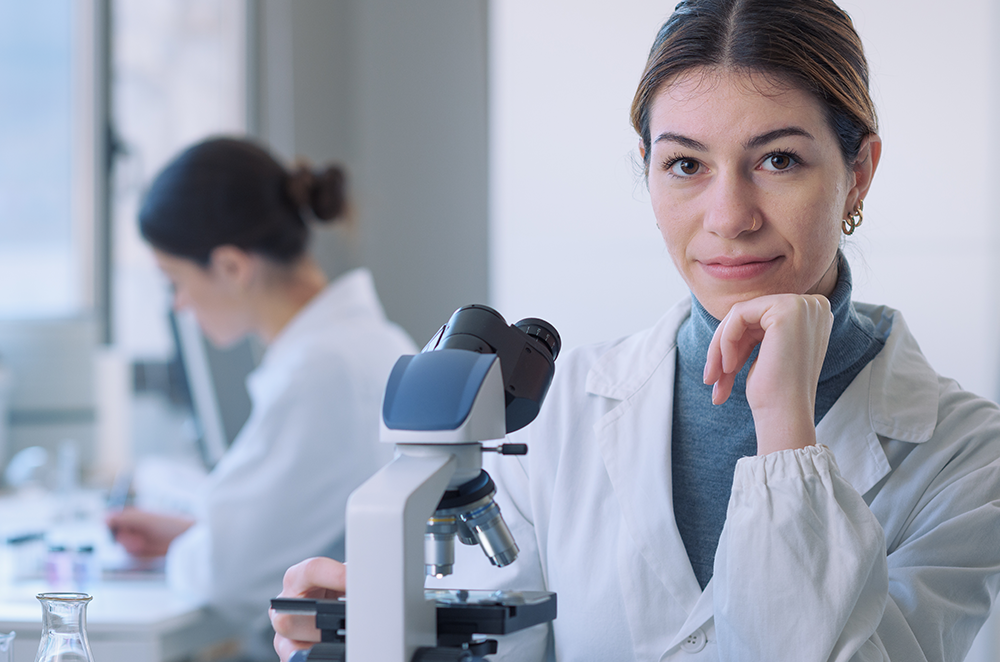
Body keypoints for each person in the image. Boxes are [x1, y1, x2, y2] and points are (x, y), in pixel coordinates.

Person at [269, 1, 1000, 660]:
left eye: (778, 160)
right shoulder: (561, 413)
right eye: (685, 164)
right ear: (646, 174)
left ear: (858, 173)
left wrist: (783, 428)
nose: (728, 217)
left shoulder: (966, 458)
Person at [106, 137, 416, 660]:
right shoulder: (368, 344)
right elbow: (301, 523)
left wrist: (191, 548)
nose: (180, 305)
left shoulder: (322, 371)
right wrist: (195, 532)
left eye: (175, 281)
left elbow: (226, 576)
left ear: (230, 266)